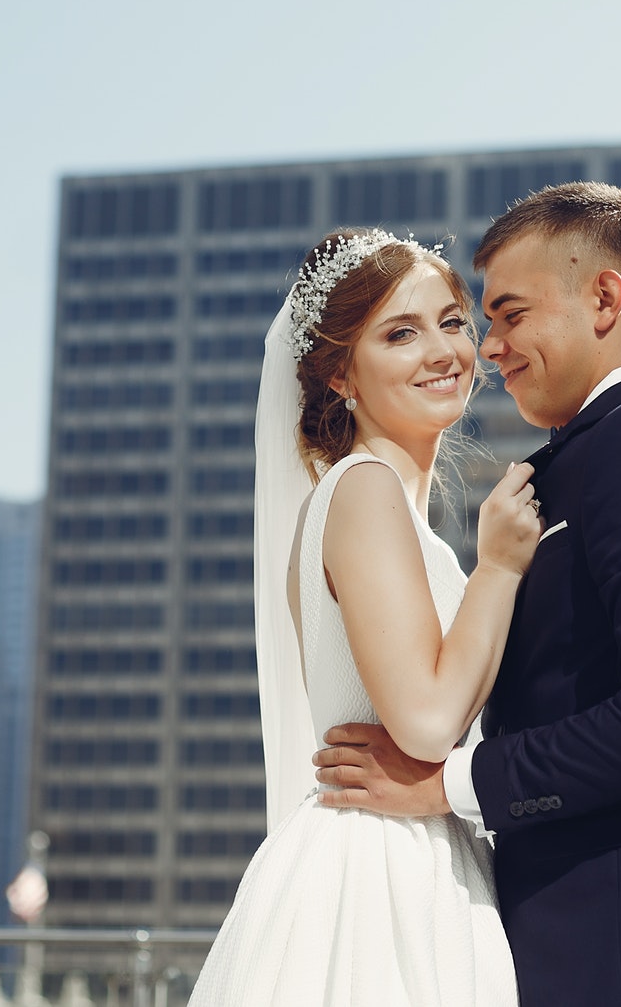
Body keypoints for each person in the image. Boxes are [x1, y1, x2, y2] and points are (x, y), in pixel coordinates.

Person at [312, 183, 621, 1007]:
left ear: (605, 298)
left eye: (507, 314)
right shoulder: (578, 466)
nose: (489, 347)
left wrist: (450, 786)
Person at [189, 228, 541, 1006]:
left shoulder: (387, 514)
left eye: (452, 320)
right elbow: (423, 718)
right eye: (401, 332)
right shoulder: (363, 490)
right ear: (342, 375)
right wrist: (502, 566)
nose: (445, 349)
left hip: (419, 856)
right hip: (379, 876)